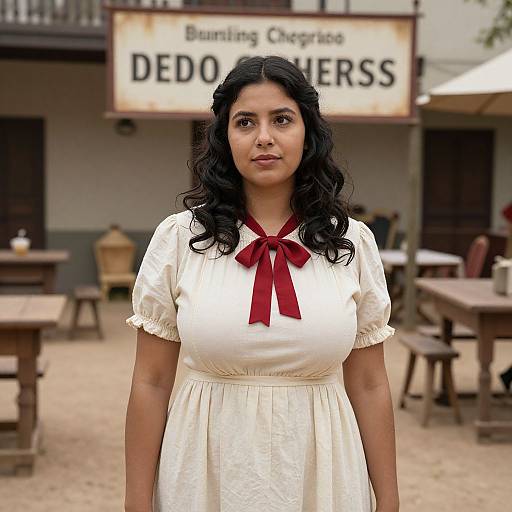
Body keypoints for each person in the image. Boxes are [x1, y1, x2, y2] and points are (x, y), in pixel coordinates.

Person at [124, 55, 399, 512]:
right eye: (245, 121)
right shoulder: (178, 239)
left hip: (323, 474)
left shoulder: (353, 243)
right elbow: (150, 381)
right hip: (204, 471)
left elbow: (370, 384)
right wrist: (136, 503)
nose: (264, 137)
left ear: (307, 132)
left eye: (282, 119)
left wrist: (388, 500)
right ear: (224, 137)